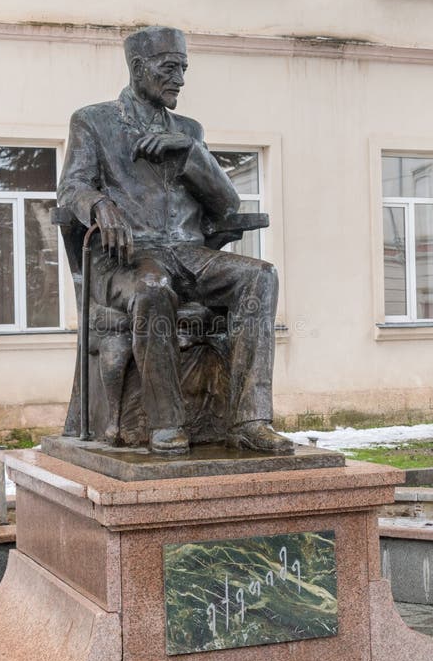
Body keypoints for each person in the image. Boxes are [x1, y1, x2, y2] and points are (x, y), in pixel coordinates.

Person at [58, 26, 293, 456]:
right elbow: (71, 188)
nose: (180, 80)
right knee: (152, 288)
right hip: (127, 258)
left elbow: (226, 206)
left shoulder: (188, 130)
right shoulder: (94, 121)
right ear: (138, 68)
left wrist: (191, 154)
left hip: (189, 253)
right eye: (170, 69)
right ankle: (166, 423)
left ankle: (250, 420)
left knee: (261, 277)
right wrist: (98, 206)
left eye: (183, 69)